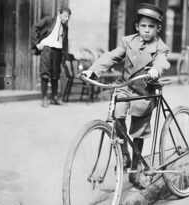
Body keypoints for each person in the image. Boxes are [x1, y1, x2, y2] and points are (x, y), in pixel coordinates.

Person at [82, 3, 170, 189]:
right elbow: (112, 56)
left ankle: (136, 170)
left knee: (138, 131)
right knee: (117, 114)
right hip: (125, 87)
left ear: (158, 28)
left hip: (144, 91)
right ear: (137, 27)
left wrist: (156, 69)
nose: (146, 30)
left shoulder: (161, 47)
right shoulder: (128, 41)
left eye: (151, 27)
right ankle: (124, 154)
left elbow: (162, 61)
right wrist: (93, 70)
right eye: (143, 26)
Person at [31, 8, 71, 107]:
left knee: (55, 75)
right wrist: (36, 43)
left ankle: (54, 98)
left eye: (68, 17)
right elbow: (35, 28)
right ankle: (44, 98)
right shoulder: (49, 20)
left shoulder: (65, 27)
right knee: (45, 74)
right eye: (65, 15)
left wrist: (64, 56)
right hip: (47, 50)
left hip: (58, 52)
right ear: (59, 14)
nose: (67, 18)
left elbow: (65, 42)